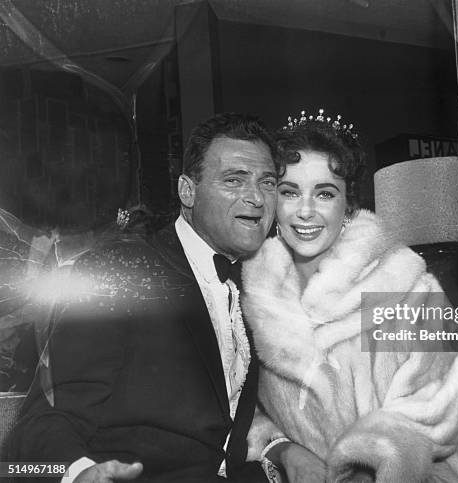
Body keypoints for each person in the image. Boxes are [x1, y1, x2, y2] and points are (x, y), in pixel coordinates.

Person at [7, 113, 283, 482]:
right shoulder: (124, 270)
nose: (256, 198)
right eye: (234, 180)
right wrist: (77, 473)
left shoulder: (261, 284)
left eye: (267, 183)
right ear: (188, 191)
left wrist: (279, 450)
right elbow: (42, 422)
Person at [242, 110, 458, 482]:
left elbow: (438, 406)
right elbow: (241, 411)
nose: (305, 211)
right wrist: (286, 449)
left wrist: (367, 461)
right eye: (290, 192)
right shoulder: (252, 297)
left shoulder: (409, 285)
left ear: (348, 205)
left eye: (324, 193)